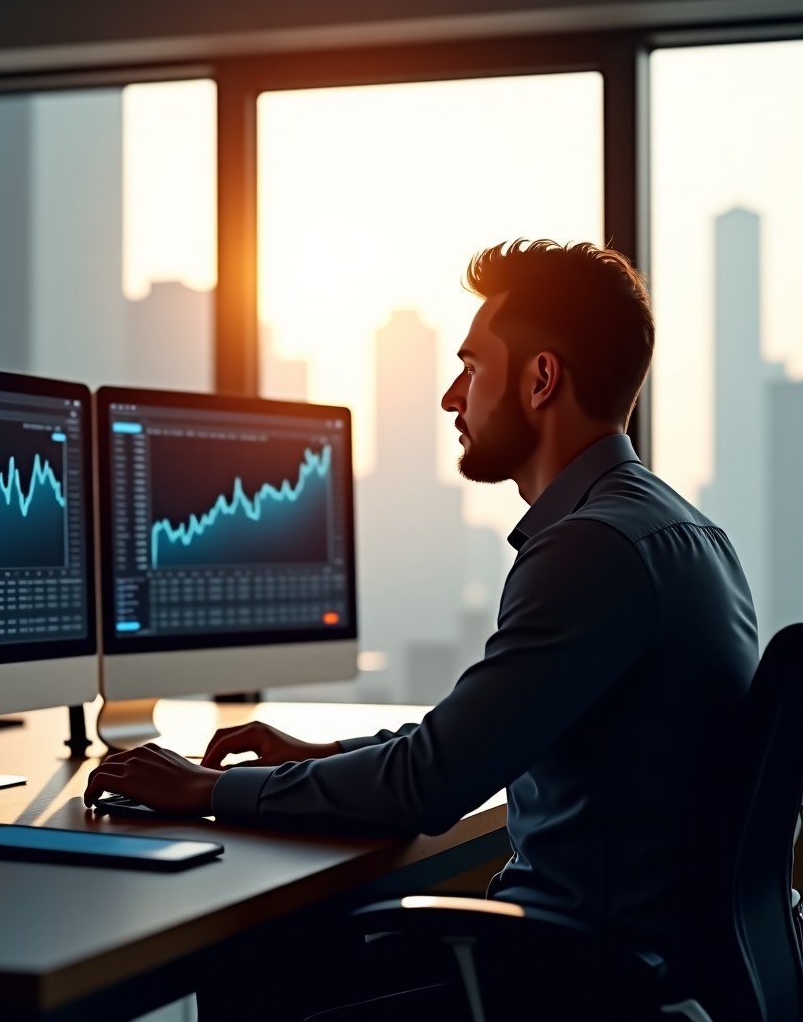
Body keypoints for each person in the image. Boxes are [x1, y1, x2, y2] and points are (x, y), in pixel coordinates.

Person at [83, 239, 759, 1020]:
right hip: (640, 963)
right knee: (292, 946)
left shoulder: (591, 548)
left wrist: (207, 788)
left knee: (260, 959)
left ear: (541, 379)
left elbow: (428, 785)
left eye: (472, 366)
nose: (450, 396)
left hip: (578, 980)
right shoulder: (674, 529)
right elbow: (480, 740)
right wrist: (325, 755)